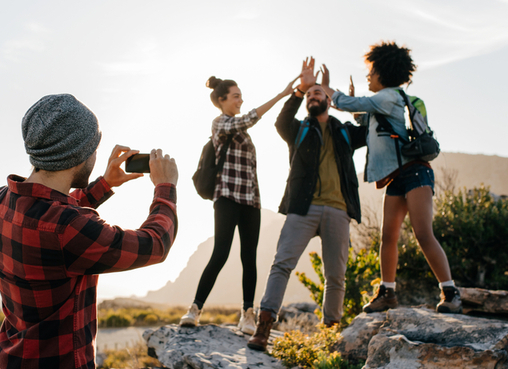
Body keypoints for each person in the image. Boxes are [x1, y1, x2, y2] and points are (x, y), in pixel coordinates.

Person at [0, 94, 179, 369]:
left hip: (11, 360)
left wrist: (105, 184)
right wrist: (165, 188)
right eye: (94, 148)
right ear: (79, 153)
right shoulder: (68, 227)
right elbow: (156, 244)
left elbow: (51, 215)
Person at [320, 41, 462, 315]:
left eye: (371, 71)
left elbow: (355, 103)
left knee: (423, 233)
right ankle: (387, 293)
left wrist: (328, 88)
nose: (367, 77)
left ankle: (451, 292)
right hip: (396, 177)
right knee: (388, 237)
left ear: (383, 72)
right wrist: (350, 106)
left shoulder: (389, 96)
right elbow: (367, 120)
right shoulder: (383, 102)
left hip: (416, 172)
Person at [247, 58, 367, 351]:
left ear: (328, 99)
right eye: (310, 95)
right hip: (302, 207)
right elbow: (280, 122)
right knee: (282, 265)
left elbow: (368, 130)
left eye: (318, 93)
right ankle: (264, 326)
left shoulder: (344, 131)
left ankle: (330, 333)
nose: (313, 97)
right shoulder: (299, 129)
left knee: (336, 276)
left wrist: (347, 104)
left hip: (339, 210)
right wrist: (299, 91)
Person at [180, 76, 297, 335]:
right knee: (220, 253)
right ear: (222, 101)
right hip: (226, 197)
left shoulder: (241, 132)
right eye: (236, 96)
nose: (240, 100)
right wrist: (281, 95)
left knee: (249, 257)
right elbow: (250, 118)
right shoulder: (220, 123)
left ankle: (247, 315)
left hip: (251, 201)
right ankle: (195, 309)